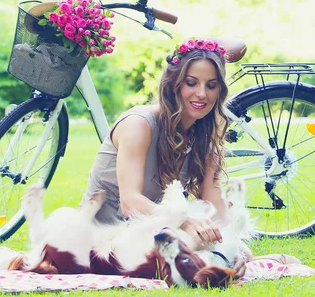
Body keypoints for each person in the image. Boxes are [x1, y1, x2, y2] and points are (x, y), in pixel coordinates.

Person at [80, 37, 251, 278]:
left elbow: (215, 207)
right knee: (192, 252)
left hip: (158, 233)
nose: (201, 94)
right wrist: (184, 221)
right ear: (174, 85)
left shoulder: (207, 139)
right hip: (103, 239)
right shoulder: (139, 125)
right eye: (191, 83)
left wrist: (231, 246)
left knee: (228, 256)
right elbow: (130, 202)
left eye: (211, 86)